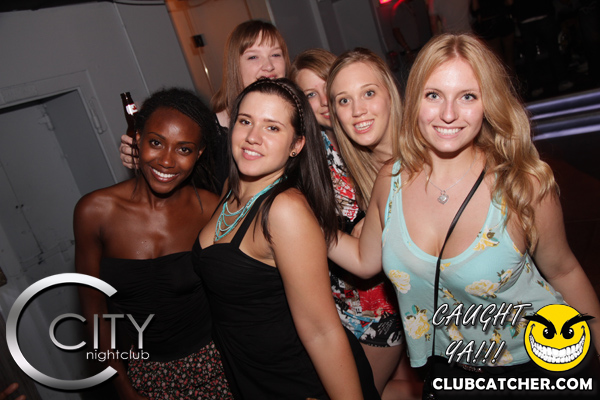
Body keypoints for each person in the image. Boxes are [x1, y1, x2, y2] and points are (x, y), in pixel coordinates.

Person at [328, 33, 600, 397]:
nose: (449, 114)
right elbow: (365, 260)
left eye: (467, 96)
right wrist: (297, 219)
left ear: (488, 102)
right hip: (452, 372)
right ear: (414, 100)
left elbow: (565, 272)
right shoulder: (389, 181)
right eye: (433, 95)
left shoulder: (521, 184)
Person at [193, 77, 379, 399]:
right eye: (245, 121)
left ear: (297, 145)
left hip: (298, 382)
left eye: (272, 127)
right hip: (253, 375)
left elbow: (322, 332)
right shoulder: (229, 190)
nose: (252, 137)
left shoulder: (285, 210)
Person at [74, 88, 232, 399]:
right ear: (137, 139)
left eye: (184, 149)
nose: (167, 161)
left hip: (220, 365)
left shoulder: (211, 209)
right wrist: (123, 387)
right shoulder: (94, 212)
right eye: (156, 143)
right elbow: (94, 311)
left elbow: (234, 296)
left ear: (199, 153)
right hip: (145, 374)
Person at [290, 48, 416, 399]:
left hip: (396, 307)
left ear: (389, 93)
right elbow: (365, 258)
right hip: (367, 302)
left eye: (368, 93)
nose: (356, 109)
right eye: (343, 99)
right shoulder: (342, 156)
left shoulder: (417, 152)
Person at [120, 20, 290, 190]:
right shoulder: (209, 131)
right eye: (253, 57)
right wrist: (141, 156)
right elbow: (172, 170)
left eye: (276, 54)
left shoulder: (298, 116)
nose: (269, 66)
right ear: (235, 66)